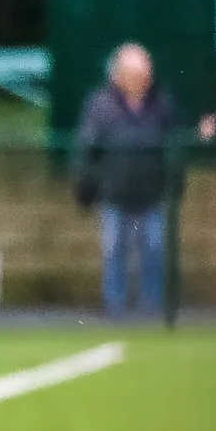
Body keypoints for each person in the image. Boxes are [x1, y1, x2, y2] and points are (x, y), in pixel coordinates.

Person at [74, 43, 176, 318]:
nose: (142, 79)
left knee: (154, 249)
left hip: (151, 192)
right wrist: (86, 187)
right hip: (114, 192)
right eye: (134, 73)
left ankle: (152, 307)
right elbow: (88, 149)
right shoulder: (100, 104)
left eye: (144, 73)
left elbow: (174, 146)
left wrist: (174, 183)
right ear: (119, 75)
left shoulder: (161, 104)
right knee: (114, 250)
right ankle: (115, 308)